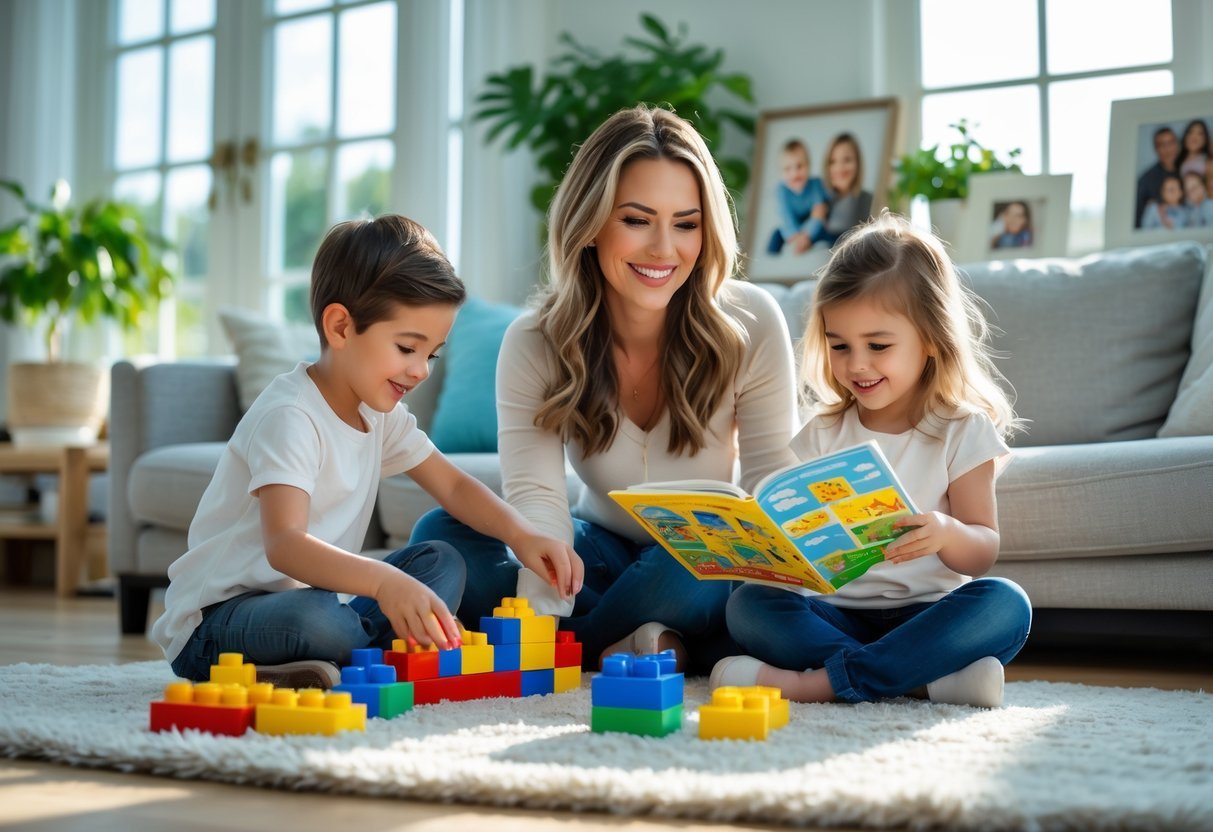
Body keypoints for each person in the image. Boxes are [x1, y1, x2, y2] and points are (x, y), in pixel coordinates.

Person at [409, 106, 799, 674]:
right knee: (442, 534)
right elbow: (538, 501)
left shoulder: (751, 319)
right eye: (637, 220)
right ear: (590, 224)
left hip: (697, 559)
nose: (665, 249)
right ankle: (652, 642)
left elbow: (770, 481)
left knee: (702, 574)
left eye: (686, 224)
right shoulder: (534, 341)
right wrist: (538, 616)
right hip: (593, 551)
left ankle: (599, 644)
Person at [149, 215, 579, 685]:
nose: (421, 371)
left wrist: (522, 535)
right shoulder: (290, 417)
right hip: (219, 623)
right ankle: (360, 645)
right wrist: (383, 583)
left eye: (431, 354)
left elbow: (452, 484)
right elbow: (285, 546)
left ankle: (342, 654)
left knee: (441, 562)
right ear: (340, 327)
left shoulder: (380, 413)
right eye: (407, 348)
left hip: (320, 598)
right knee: (318, 620)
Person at [712, 212, 1032, 708]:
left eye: (878, 346)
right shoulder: (822, 432)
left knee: (1006, 604)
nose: (856, 364)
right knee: (749, 606)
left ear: (929, 339)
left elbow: (983, 549)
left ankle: (815, 684)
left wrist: (947, 534)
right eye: (839, 346)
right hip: (834, 612)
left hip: (926, 614)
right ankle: (922, 680)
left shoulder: (961, 430)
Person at [767, 138, 830, 255]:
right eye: (787, 169)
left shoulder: (816, 184)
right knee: (776, 235)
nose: (794, 174)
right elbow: (785, 217)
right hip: (793, 225)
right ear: (780, 173)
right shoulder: (781, 190)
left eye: (799, 166)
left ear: (808, 166)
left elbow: (818, 213)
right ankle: (769, 265)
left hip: (814, 223)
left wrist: (806, 236)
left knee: (828, 234)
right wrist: (795, 237)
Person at [821, 132, 874, 247]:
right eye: (833, 161)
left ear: (858, 163)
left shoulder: (869, 201)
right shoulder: (818, 200)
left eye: (847, 160)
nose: (839, 168)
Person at [1135, 127, 1180, 228]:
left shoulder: (1185, 171)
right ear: (1156, 149)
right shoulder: (1145, 180)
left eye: (1171, 143)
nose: (1168, 149)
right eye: (1162, 145)